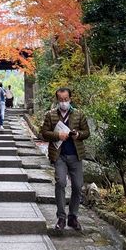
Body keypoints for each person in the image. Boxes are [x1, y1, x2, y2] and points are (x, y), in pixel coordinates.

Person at [40, 87, 90, 232]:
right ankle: (61, 217)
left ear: (70, 99)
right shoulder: (51, 115)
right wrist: (58, 136)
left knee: (77, 186)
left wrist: (78, 134)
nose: (63, 102)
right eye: (61, 100)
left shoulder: (79, 114)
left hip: (76, 155)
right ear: (57, 100)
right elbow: (43, 133)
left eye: (66, 99)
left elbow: (87, 132)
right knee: (60, 182)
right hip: (59, 155)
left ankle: (73, 217)